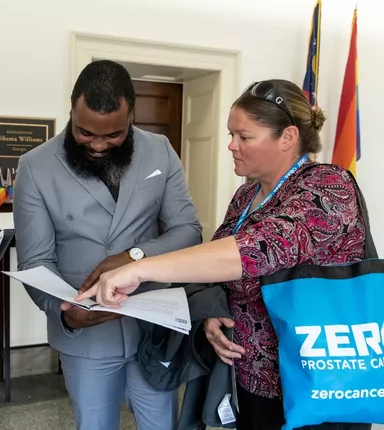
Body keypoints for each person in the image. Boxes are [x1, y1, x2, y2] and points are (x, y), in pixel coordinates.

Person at [76, 79, 372, 430]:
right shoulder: (246, 196)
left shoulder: (328, 185)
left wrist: (139, 268)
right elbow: (218, 271)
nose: (231, 145)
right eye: (231, 134)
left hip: (320, 380)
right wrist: (213, 315)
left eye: (244, 137)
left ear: (288, 138)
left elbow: (257, 250)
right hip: (251, 378)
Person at [12, 59, 202, 430]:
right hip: (86, 338)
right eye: (85, 133)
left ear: (131, 116)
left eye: (113, 135)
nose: (98, 145)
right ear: (71, 111)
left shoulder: (160, 150)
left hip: (154, 328)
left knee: (164, 425)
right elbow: (35, 262)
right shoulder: (34, 166)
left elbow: (188, 231)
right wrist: (65, 313)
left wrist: (134, 257)